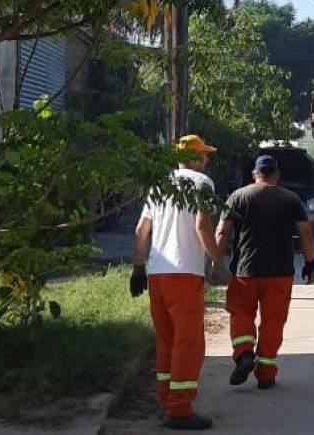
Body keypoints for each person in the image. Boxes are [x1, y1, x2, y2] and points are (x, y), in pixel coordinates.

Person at [131, 134, 222, 430]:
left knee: (166, 341)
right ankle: (180, 410)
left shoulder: (159, 185)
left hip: (157, 274)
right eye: (204, 156)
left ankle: (166, 401)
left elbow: (141, 230)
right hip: (185, 275)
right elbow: (202, 224)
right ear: (194, 158)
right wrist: (217, 260)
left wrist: (138, 267)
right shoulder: (202, 183)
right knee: (188, 343)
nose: (206, 161)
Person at [216, 155, 314, 390]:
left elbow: (222, 232)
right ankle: (266, 374)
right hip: (280, 274)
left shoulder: (238, 197)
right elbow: (306, 233)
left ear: (255, 174)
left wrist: (215, 263)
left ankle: (244, 354)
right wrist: (310, 263)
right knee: (273, 322)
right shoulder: (290, 199)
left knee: (241, 314)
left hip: (245, 272)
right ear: (277, 175)